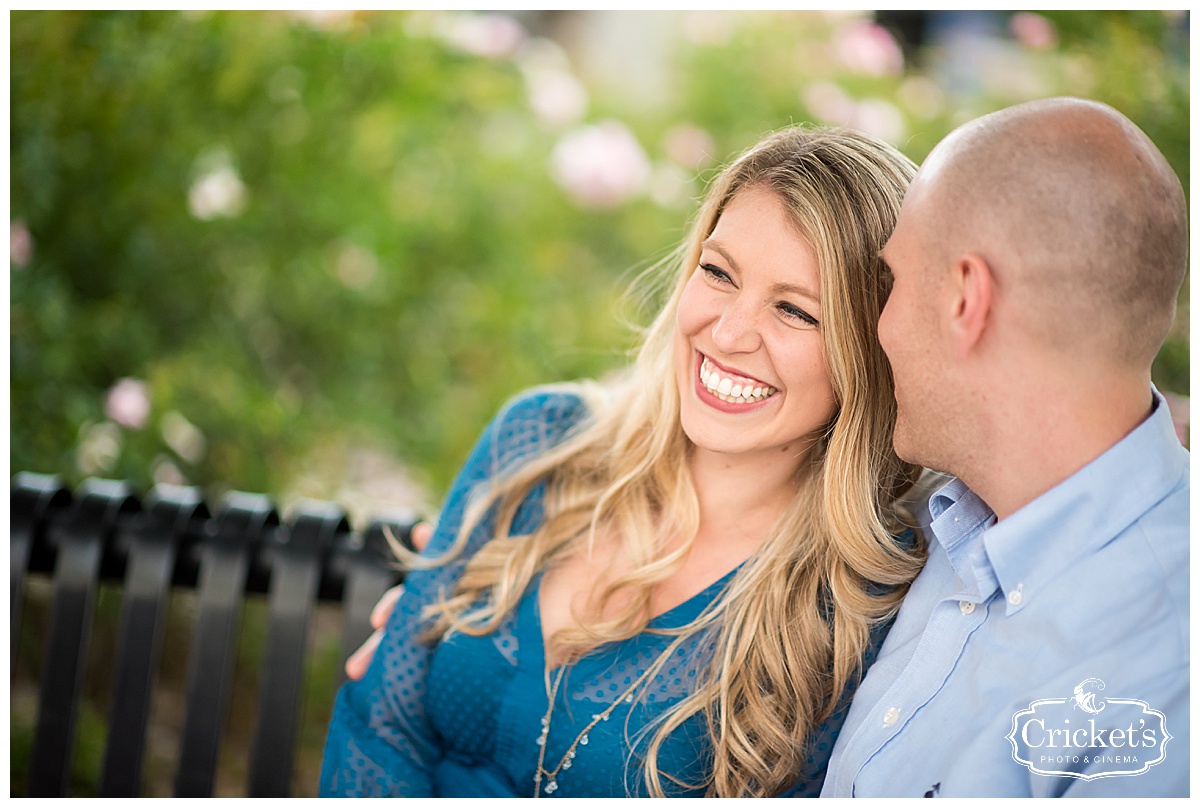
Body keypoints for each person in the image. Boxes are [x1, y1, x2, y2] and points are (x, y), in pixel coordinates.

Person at [319, 125, 931, 797]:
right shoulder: (542, 440)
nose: (727, 333)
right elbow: (380, 727)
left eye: (795, 310)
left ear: (868, 350)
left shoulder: (854, 599)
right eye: (718, 272)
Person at [821, 97, 1189, 796]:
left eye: (892, 282)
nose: (878, 326)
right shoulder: (936, 520)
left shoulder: (1169, 683)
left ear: (967, 299)